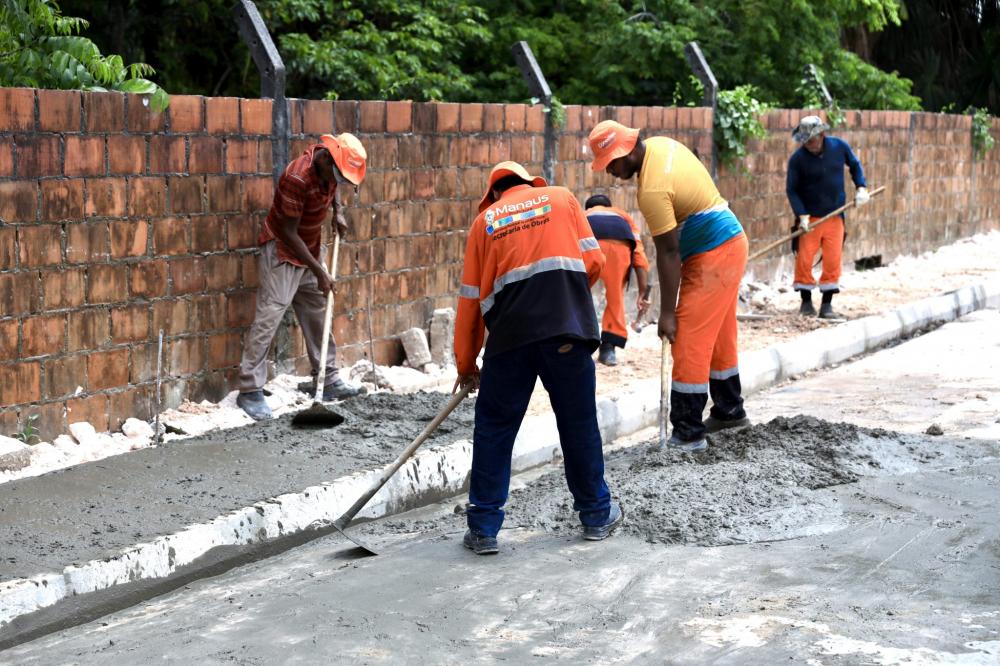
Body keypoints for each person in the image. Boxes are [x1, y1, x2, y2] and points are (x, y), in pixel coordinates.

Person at [453, 161, 623, 555]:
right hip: (566, 333)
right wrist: (568, 301)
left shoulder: (485, 223)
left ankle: (483, 529)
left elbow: (470, 303)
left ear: (493, 194)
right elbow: (594, 262)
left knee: (494, 429)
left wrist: (467, 365)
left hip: (510, 342)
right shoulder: (562, 199)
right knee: (578, 423)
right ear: (529, 182)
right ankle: (596, 516)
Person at [588, 120, 749, 452]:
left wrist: (668, 314)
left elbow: (669, 251)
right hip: (727, 242)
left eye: (612, 163)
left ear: (628, 151)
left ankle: (688, 431)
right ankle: (729, 411)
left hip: (714, 251)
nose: (612, 173)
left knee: (688, 335)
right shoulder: (660, 146)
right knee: (718, 334)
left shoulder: (653, 189)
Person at [236, 134, 367, 420]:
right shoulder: (296, 178)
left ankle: (329, 379)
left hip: (309, 249)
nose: (339, 181)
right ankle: (249, 389)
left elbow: (335, 187)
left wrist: (338, 212)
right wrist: (319, 270)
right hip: (283, 250)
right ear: (325, 160)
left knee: (318, 314)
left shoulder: (331, 168)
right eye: (339, 175)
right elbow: (287, 232)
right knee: (271, 313)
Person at [786, 115, 870, 319]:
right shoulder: (798, 159)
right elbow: (792, 189)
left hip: (834, 216)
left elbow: (855, 165)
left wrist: (861, 187)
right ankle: (806, 303)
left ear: (822, 135)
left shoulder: (839, 147)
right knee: (804, 260)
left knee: (833, 260)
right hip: (810, 219)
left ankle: (826, 305)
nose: (809, 145)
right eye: (805, 141)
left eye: (812, 140)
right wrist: (801, 214)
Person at [583, 194, 651, 366]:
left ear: (588, 208)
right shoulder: (622, 215)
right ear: (609, 206)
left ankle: (579, 342)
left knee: (577, 292)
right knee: (615, 297)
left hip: (588, 243)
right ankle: (608, 350)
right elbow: (638, 252)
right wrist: (643, 290)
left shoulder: (584, 215)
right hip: (619, 245)